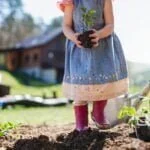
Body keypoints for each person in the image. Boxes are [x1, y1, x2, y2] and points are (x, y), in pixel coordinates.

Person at [57, 0, 129, 131]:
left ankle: (98, 111)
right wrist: (74, 37)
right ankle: (81, 123)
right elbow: (66, 26)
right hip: (79, 49)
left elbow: (110, 25)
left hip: (102, 48)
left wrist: (99, 34)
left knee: (104, 81)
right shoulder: (70, 2)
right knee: (80, 87)